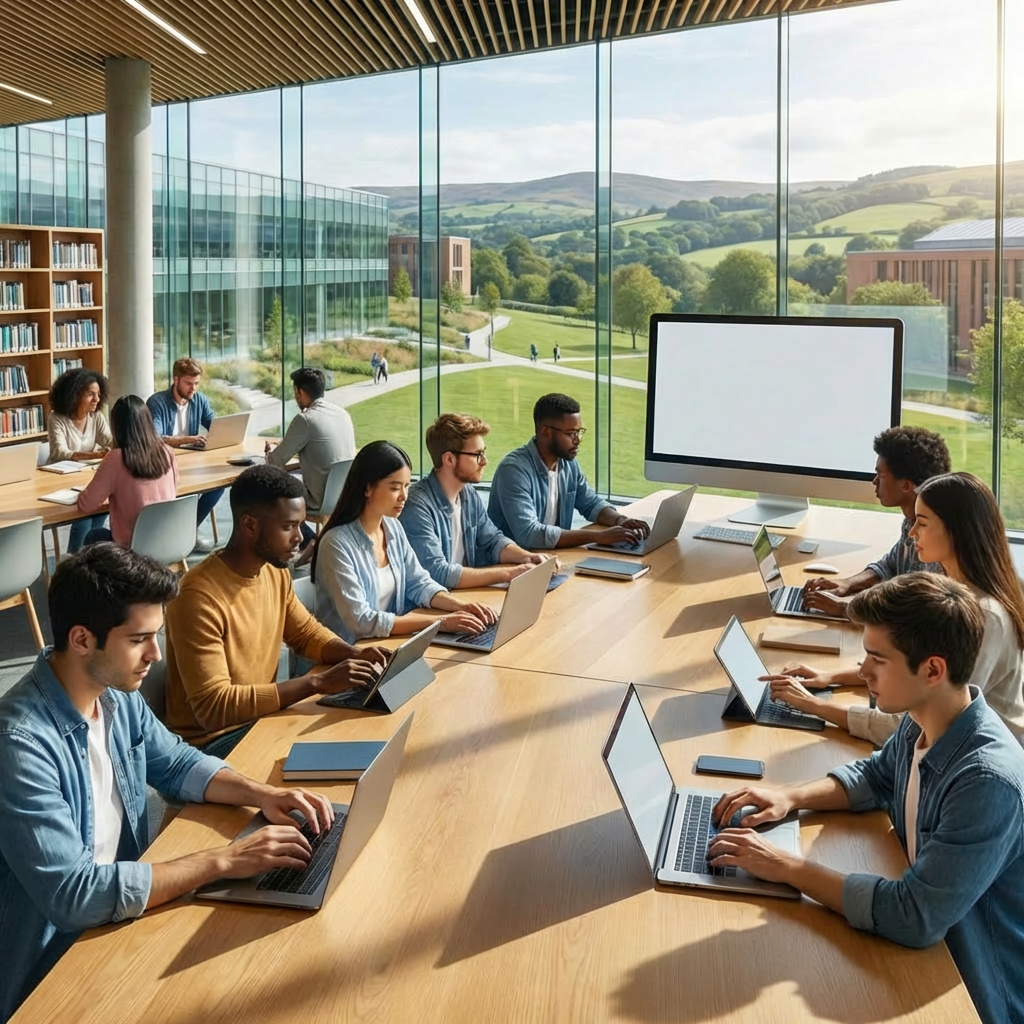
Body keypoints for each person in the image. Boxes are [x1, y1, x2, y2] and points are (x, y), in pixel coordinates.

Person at [0, 543, 341, 1022]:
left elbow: (177, 763)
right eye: (140, 639)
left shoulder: (116, 696)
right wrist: (223, 860)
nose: (155, 655)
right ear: (81, 639)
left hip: (121, 920)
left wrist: (263, 794)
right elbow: (75, 896)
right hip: (53, 969)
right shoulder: (19, 743)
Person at [707, 573, 1024, 1024]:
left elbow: (913, 916)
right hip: (929, 958)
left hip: (977, 992)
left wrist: (786, 866)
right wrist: (789, 796)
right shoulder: (925, 717)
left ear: (932, 670)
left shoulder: (986, 782)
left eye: (877, 659)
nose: (861, 672)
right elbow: (876, 777)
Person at [769, 472, 1024, 745]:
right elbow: (914, 672)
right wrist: (829, 677)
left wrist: (813, 706)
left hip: (974, 762)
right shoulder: (953, 589)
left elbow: (915, 731)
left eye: (922, 523)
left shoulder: (984, 616)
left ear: (957, 530)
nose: (912, 532)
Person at [164, 464, 389, 756]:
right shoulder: (198, 597)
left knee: (362, 730)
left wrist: (354, 654)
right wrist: (317, 682)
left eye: (300, 524)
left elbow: (306, 634)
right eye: (288, 527)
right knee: (341, 749)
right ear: (250, 525)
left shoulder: (274, 570)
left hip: (258, 721)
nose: (300, 538)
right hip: (211, 743)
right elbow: (213, 708)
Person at [312, 440, 497, 644]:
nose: (404, 497)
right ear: (367, 488)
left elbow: (418, 582)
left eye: (407, 486)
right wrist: (439, 623)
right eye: (395, 488)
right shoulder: (336, 544)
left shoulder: (393, 527)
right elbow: (361, 621)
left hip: (387, 646)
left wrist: (460, 606)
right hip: (347, 659)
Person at [802, 425, 950, 617]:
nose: (874, 481)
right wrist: (846, 584)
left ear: (906, 485)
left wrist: (846, 609)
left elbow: (919, 611)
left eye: (880, 475)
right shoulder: (911, 522)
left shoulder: (937, 539)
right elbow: (890, 567)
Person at [400, 413, 554, 589]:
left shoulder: (468, 494)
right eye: (478, 454)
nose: (485, 461)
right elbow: (437, 572)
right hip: (431, 607)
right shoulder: (417, 506)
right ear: (449, 459)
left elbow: (492, 540)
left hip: (464, 598)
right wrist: (509, 574)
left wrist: (526, 557)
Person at [487, 393, 651, 549]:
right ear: (545, 431)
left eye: (579, 432)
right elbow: (529, 534)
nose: (577, 440)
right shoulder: (514, 471)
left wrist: (620, 520)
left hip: (551, 558)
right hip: (513, 566)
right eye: (570, 433)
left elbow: (590, 503)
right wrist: (597, 537)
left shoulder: (568, 464)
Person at [265, 367, 356, 544]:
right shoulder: (342, 414)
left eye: (295, 392)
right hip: (343, 495)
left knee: (266, 489)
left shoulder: (305, 419)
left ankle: (307, 540)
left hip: (318, 500)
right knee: (291, 477)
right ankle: (309, 540)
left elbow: (274, 463)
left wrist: (268, 453)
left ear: (299, 392)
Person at [75, 395, 179, 547]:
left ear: (117, 427)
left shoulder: (115, 459)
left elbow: (86, 505)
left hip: (132, 550)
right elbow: (175, 487)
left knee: (93, 536)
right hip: (168, 542)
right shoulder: (167, 452)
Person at [146, 357, 224, 551]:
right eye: (188, 383)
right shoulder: (157, 402)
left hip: (190, 463)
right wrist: (188, 439)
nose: (193, 389)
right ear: (176, 380)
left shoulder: (199, 400)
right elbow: (155, 438)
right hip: (162, 464)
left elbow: (215, 426)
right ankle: (177, 533)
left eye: (196, 384)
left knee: (219, 485)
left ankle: (187, 530)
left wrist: (223, 432)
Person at [47, 367, 112, 551]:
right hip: (61, 481)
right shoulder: (57, 418)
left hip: (87, 478)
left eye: (99, 394)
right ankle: (74, 558)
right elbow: (60, 452)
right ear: (74, 395)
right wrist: (96, 455)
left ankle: (88, 559)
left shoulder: (96, 416)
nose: (97, 400)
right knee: (84, 515)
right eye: (91, 394)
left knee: (99, 509)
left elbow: (109, 441)